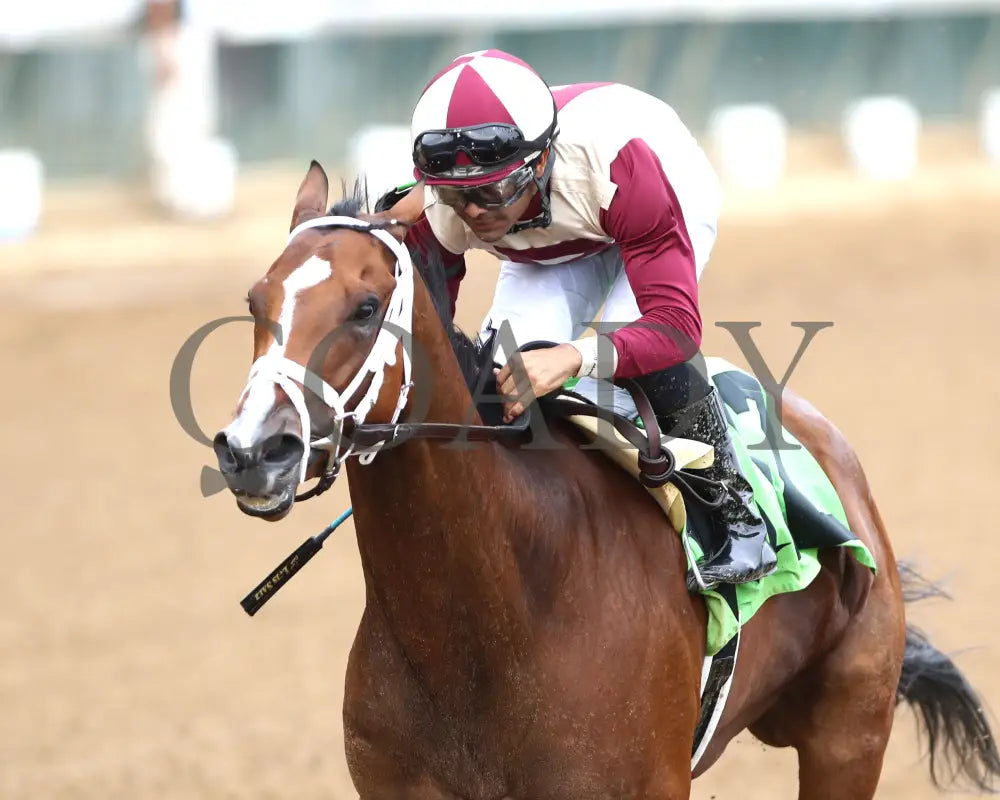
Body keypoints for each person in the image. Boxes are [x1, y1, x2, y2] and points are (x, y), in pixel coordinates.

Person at [392, 49, 776, 590]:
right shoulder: (440, 209)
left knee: (630, 360)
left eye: (493, 190)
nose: (475, 212)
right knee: (493, 384)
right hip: (543, 245)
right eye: (457, 195)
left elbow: (673, 326)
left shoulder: (622, 163)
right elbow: (430, 342)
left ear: (540, 160)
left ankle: (736, 510)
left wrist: (574, 356)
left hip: (652, 200)